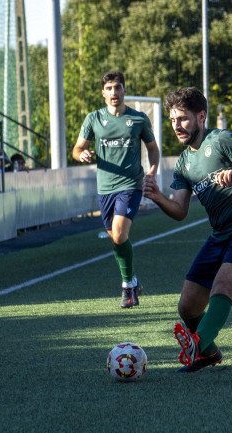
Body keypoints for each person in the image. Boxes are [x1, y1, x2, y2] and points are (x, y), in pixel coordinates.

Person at [142, 87, 232, 373]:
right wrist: (158, 197)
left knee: (224, 286)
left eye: (183, 119)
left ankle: (197, 347)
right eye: (173, 120)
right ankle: (209, 353)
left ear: (201, 116)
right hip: (218, 238)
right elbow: (180, 211)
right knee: (187, 307)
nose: (177, 125)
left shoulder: (223, 139)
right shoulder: (183, 163)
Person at [71, 70, 160, 309]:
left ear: (124, 90)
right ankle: (133, 281)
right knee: (115, 239)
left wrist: (152, 170)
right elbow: (77, 148)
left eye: (117, 87)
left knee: (120, 234)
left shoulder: (139, 119)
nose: (114, 92)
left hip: (130, 185)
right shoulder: (93, 119)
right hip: (105, 188)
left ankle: (126, 286)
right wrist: (82, 154)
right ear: (103, 93)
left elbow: (152, 148)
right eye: (109, 88)